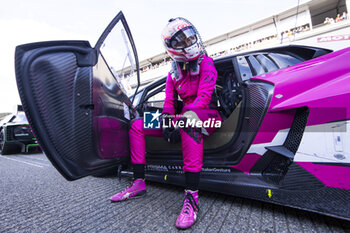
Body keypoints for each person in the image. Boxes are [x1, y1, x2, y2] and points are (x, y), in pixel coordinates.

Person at [109, 17, 222, 229]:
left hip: (209, 116)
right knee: (136, 125)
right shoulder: (172, 74)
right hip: (184, 116)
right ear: (171, 48)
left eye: (189, 37)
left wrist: (180, 119)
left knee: (189, 120)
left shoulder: (207, 62)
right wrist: (167, 120)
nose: (188, 43)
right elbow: (169, 102)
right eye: (181, 41)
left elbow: (204, 98)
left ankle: (192, 198)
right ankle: (138, 183)